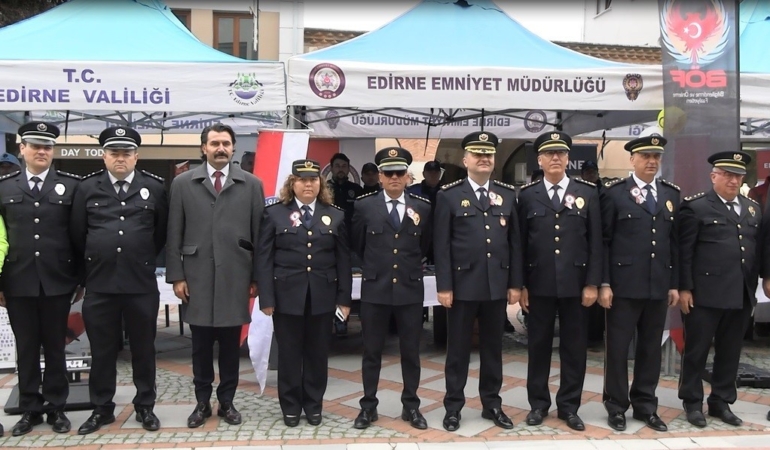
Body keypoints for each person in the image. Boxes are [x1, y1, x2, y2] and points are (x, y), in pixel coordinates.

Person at [70, 126, 168, 434]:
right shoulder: (87, 188)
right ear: (104, 156)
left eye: (126, 153)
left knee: (143, 348)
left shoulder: (154, 188)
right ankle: (102, 408)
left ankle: (145, 406)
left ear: (136, 156)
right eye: (114, 153)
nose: (120, 158)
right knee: (102, 350)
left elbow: (160, 233)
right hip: (100, 284)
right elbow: (77, 234)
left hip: (140, 284)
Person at [166, 123, 265, 428]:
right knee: (199, 345)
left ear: (233, 148)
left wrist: (256, 277)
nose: (220, 148)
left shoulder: (251, 184)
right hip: (196, 277)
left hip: (235, 276)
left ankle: (227, 402)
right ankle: (201, 402)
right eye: (214, 143)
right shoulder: (183, 184)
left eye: (225, 143)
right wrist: (177, 275)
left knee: (230, 347)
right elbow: (174, 233)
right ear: (203, 148)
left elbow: (259, 236)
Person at [434, 131, 522, 432]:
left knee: (493, 349)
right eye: (478, 154)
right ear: (465, 159)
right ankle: (453, 406)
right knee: (457, 349)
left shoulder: (509, 194)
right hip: (462, 285)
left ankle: (492, 404)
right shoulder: (449, 195)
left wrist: (515, 283)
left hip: (496, 285)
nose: (484, 159)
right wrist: (444, 285)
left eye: (489, 154)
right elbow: (441, 245)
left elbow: (515, 243)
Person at [256, 159, 352, 427]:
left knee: (317, 354)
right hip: (286, 296)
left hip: (322, 296)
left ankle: (313, 405)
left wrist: (344, 299)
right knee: (288, 354)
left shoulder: (335, 215)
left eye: (313, 179)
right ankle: (290, 406)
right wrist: (267, 298)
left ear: (320, 183)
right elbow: (264, 258)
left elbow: (343, 260)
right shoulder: (274, 214)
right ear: (292, 183)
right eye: (302, 179)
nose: (308, 184)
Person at [517, 131, 602, 432]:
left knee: (574, 347)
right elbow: (520, 244)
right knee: (537, 346)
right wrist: (521, 283)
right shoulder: (527, 196)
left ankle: (569, 406)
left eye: (561, 153)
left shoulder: (588, 193)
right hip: (538, 284)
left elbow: (596, 243)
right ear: (539, 159)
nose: (556, 158)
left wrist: (593, 283)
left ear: (568, 159)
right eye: (549, 153)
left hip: (576, 285)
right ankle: (538, 404)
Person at [0, 122, 80, 436]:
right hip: (17, 283)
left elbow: (77, 236)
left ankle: (56, 408)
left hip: (57, 282)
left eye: (47, 146)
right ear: (22, 149)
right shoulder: (4, 187)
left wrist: (79, 280)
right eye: (35, 146)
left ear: (53, 151)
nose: (41, 151)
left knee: (56, 348)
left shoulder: (70, 186)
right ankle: (30, 408)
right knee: (27, 348)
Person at [599, 135, 680, 432]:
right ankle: (616, 405)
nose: (652, 161)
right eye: (645, 156)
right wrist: (604, 282)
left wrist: (674, 283)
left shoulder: (670, 194)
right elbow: (604, 242)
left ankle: (646, 404)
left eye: (656, 156)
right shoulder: (615, 194)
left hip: (657, 285)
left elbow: (674, 244)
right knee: (618, 349)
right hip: (623, 286)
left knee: (650, 348)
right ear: (632, 159)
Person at [678, 151, 761, 428]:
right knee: (697, 350)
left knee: (730, 351)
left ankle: (721, 401)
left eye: (737, 175)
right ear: (713, 176)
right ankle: (692, 401)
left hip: (740, 292)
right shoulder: (696, 207)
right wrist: (685, 288)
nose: (733, 180)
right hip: (705, 293)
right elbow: (684, 252)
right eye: (727, 174)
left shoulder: (751, 208)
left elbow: (755, 249)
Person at [351, 147, 432, 430]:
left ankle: (411, 406)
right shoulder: (363, 206)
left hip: (409, 290)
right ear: (380, 177)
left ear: (408, 177)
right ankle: (368, 407)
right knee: (371, 351)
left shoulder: (422, 207)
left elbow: (424, 247)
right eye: (389, 173)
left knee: (411, 352)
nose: (394, 177)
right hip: (376, 289)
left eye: (400, 172)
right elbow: (358, 245)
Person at [327, 153, 362, 336]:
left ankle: (347, 318)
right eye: (337, 166)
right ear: (331, 169)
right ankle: (337, 320)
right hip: (329, 243)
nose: (341, 169)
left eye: (344, 166)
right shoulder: (324, 189)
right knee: (333, 282)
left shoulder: (356, 190)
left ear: (349, 169)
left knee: (353, 283)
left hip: (352, 244)